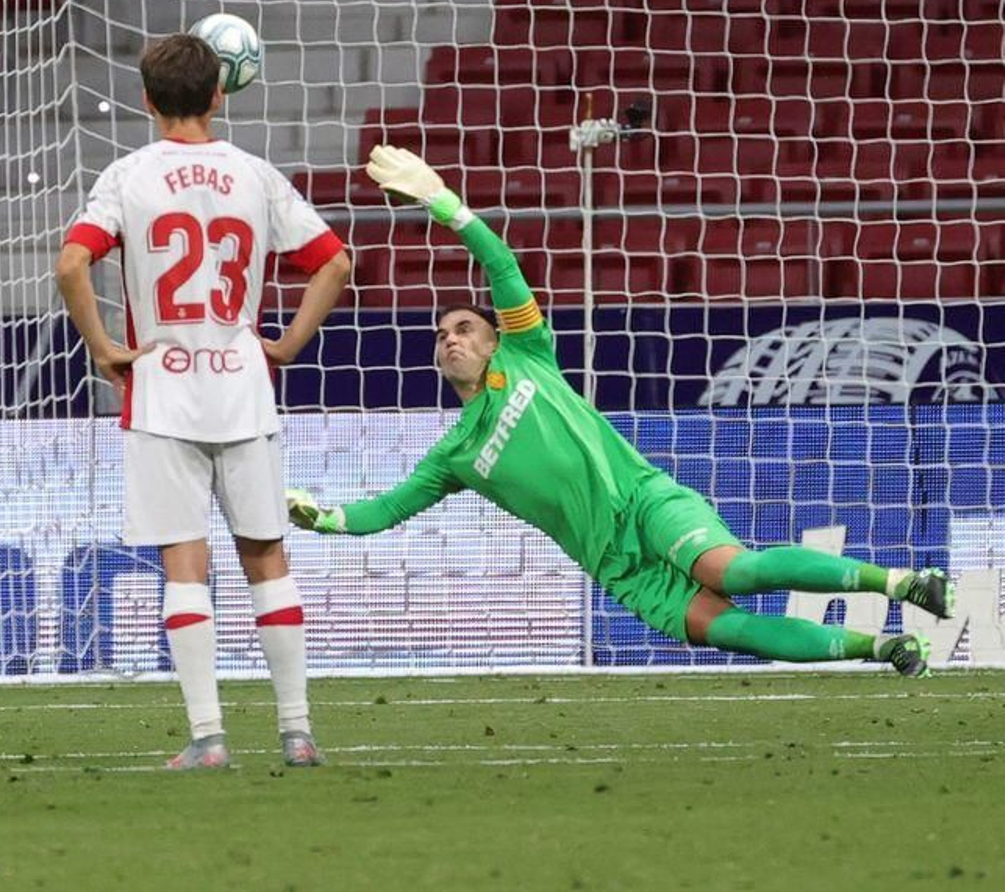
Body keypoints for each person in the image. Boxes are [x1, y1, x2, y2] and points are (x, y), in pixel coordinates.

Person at [286, 144, 954, 676]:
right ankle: (881, 648)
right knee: (738, 631)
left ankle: (902, 582)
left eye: (463, 326)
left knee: (735, 571)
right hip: (617, 566)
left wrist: (444, 203)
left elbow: (501, 263)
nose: (450, 337)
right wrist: (321, 515)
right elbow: (385, 511)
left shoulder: (527, 353)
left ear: (492, 338)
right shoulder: (455, 453)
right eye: (440, 334)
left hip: (644, 501)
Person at [56, 33, 352, 769]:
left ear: (147, 100)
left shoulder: (128, 175)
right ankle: (298, 730)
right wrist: (284, 343)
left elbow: (71, 261)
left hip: (161, 390)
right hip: (243, 385)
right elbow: (335, 260)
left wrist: (104, 346)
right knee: (267, 556)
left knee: (185, 565)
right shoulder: (255, 175)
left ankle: (209, 738)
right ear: (221, 94)